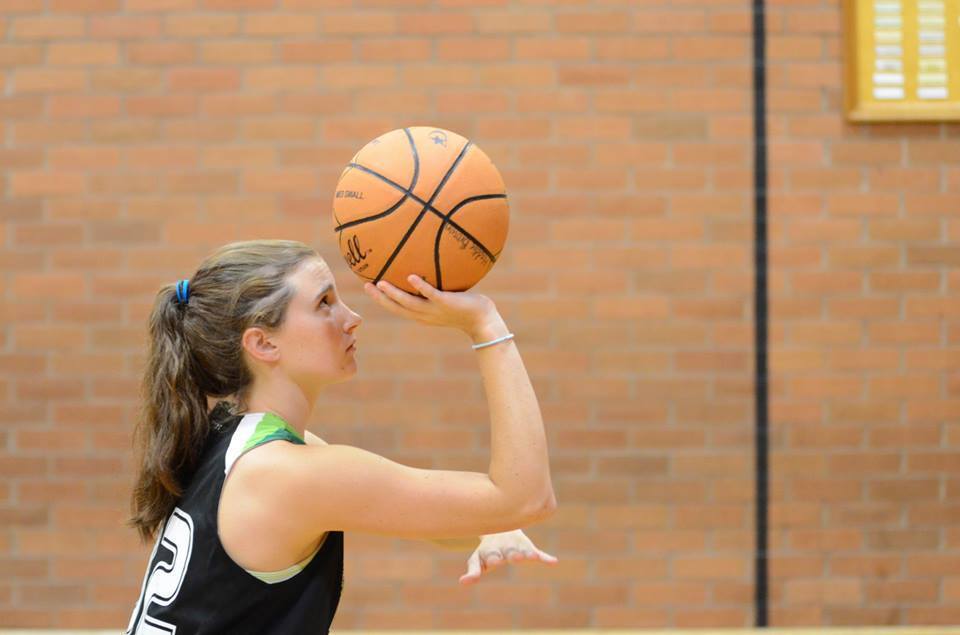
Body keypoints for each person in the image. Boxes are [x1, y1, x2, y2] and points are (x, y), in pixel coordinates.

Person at [125, 239, 556, 634]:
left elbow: (418, 511)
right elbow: (527, 499)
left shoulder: (239, 440)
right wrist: (485, 324)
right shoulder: (284, 474)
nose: (353, 318)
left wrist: (485, 528)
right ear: (263, 344)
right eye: (325, 303)